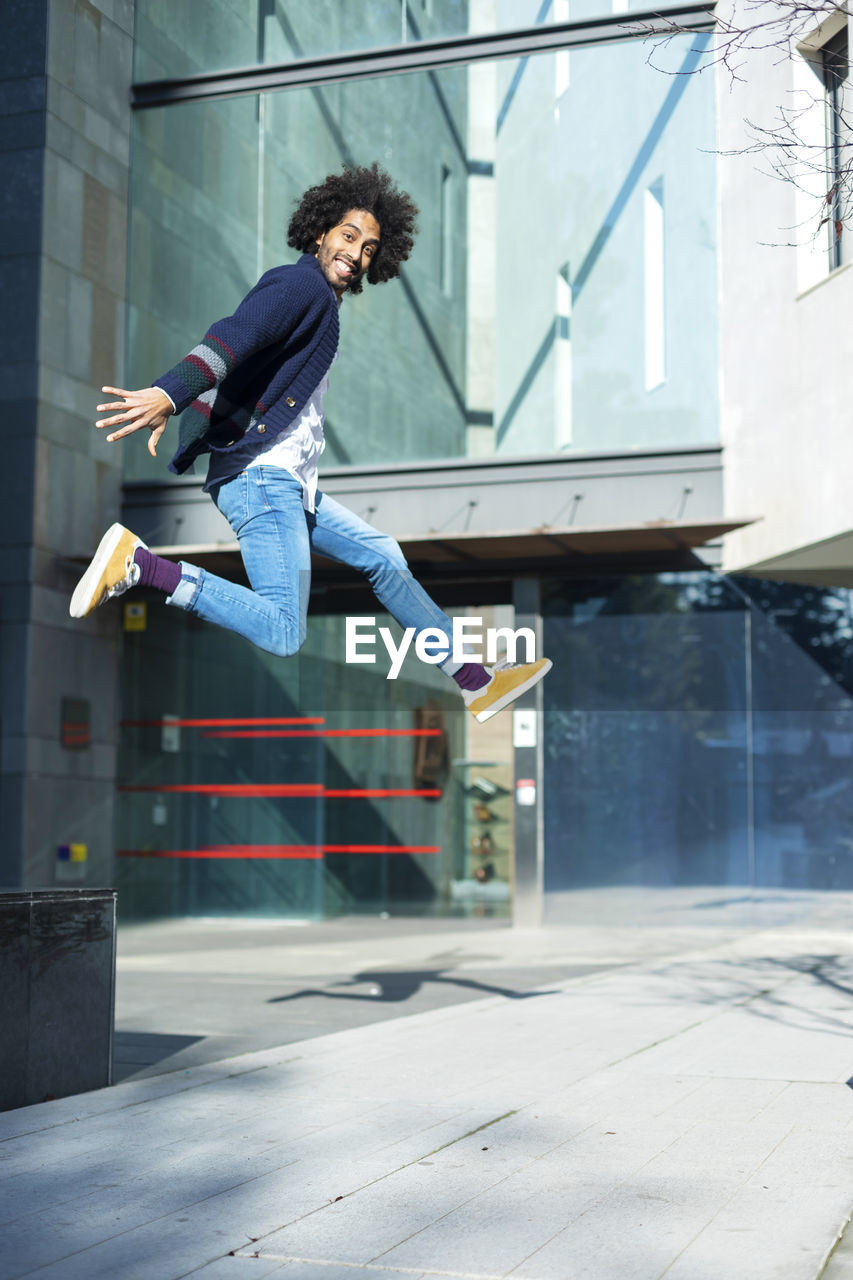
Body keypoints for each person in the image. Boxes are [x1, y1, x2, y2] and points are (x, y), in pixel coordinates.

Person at [70, 164, 551, 722]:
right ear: (321, 232)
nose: (356, 253)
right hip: (261, 479)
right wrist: (169, 393)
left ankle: (474, 681)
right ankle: (143, 567)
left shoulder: (322, 304)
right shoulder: (300, 286)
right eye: (348, 236)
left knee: (383, 557)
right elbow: (234, 335)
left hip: (286, 484)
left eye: (370, 248)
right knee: (283, 630)